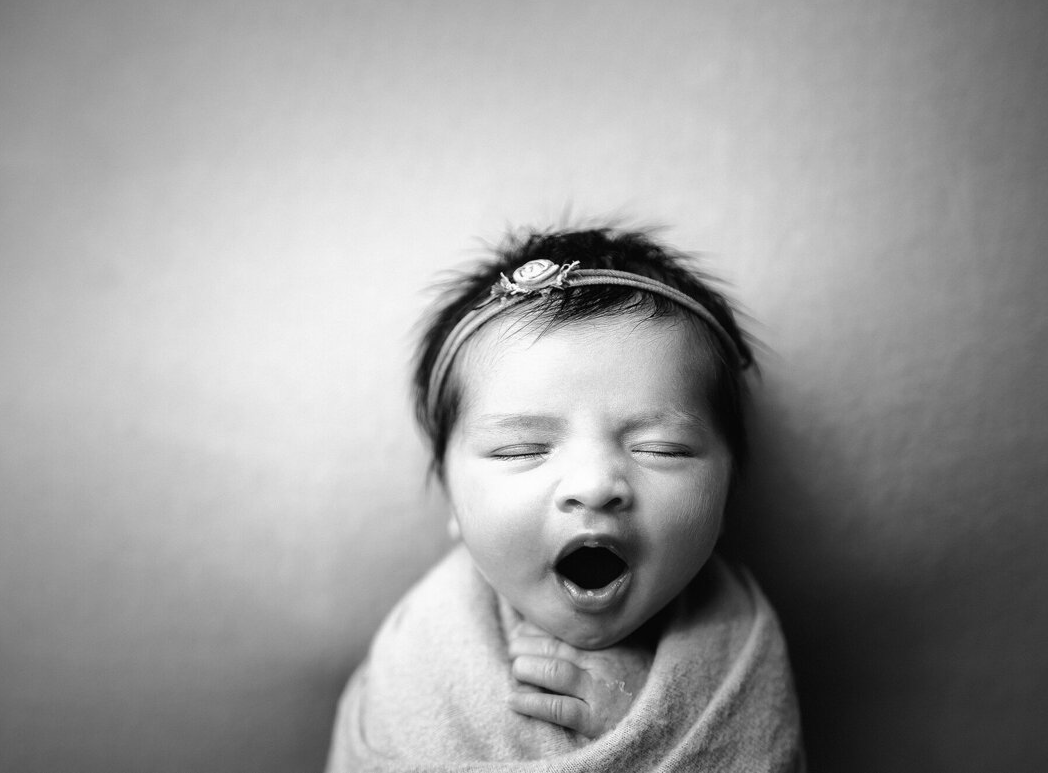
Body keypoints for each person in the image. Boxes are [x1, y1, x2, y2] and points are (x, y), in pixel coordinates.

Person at [326, 226, 805, 772]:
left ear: (725, 500)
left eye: (660, 448)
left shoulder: (736, 647)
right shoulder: (417, 659)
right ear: (454, 505)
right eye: (519, 450)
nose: (594, 485)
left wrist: (646, 730)